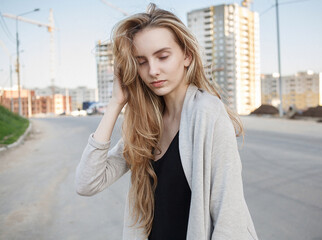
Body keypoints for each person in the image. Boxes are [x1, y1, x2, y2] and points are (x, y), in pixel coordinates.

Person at [75, 3, 258, 240]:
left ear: (187, 56)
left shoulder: (207, 112)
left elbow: (229, 214)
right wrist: (116, 103)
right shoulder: (147, 123)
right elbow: (87, 183)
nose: (153, 70)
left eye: (162, 56)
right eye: (141, 61)